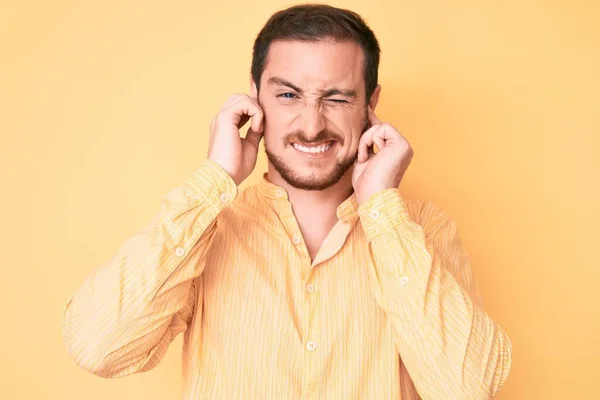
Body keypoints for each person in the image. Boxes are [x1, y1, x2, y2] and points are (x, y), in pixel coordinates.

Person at [61, 4, 512, 399]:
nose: (312, 125)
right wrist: (215, 179)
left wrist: (383, 213)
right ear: (254, 98)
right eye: (288, 95)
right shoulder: (207, 227)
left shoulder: (421, 229)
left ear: (371, 104)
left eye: (337, 98)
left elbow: (468, 390)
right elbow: (97, 346)